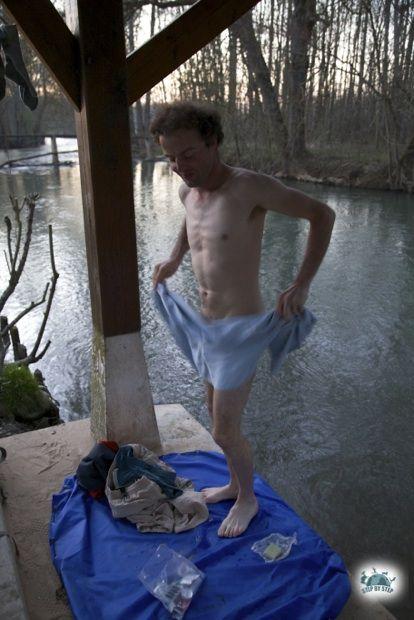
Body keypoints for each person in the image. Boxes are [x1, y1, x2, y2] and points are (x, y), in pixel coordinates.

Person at [150, 102, 335, 538]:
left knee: (223, 429)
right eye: (170, 157)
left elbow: (322, 215)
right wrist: (174, 258)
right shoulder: (186, 191)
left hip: (241, 330)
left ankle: (248, 498)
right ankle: (234, 484)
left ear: (213, 143)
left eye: (188, 154)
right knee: (214, 418)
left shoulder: (248, 187)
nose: (179, 167)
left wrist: (301, 283)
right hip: (204, 327)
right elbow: (190, 225)